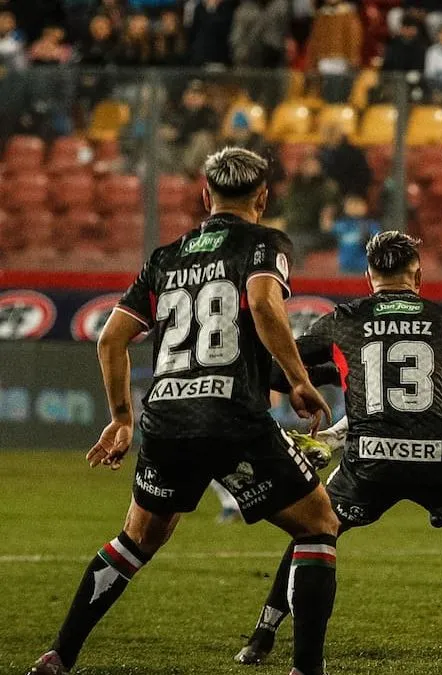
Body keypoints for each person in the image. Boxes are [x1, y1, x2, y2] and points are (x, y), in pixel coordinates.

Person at [27, 148, 340, 675]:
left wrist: (122, 418)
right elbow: (264, 305)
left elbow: (111, 340)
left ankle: (60, 654)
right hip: (233, 416)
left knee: (138, 539)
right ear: (263, 197)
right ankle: (306, 670)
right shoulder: (265, 243)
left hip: (166, 416)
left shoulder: (164, 257)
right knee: (317, 526)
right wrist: (301, 382)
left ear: (204, 195)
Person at [233, 230, 442, 670]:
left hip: (369, 463)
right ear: (417, 274)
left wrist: (337, 376)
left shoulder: (343, 320)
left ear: (369, 275)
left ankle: (262, 636)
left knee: (314, 528)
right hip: (440, 463)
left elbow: (276, 372)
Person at [327, 193, 382, 274]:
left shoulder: (370, 225)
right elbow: (328, 228)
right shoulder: (342, 224)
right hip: (345, 266)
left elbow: (379, 241)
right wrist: (328, 213)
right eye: (351, 204)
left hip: (363, 266)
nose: (354, 207)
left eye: (357, 204)